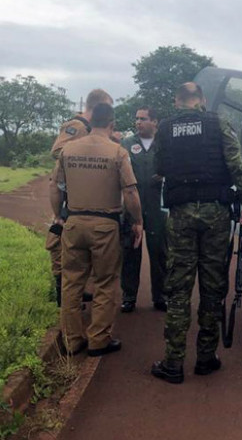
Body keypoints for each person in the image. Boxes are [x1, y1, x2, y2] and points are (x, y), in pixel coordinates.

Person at [150, 82, 242, 384]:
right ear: (202, 101)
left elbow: (158, 167)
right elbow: (236, 166)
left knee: (179, 288)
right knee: (213, 286)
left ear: (176, 100)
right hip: (216, 213)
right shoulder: (218, 122)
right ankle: (206, 358)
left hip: (181, 213)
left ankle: (173, 363)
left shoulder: (166, 128)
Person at [51, 102, 143, 356]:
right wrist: (137, 221)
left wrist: (59, 215)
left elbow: (55, 186)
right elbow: (131, 191)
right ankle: (98, 340)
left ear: (90, 123)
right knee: (105, 282)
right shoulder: (117, 152)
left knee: (71, 283)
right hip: (105, 226)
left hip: (74, 222)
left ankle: (72, 340)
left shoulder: (68, 150)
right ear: (111, 124)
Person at [46, 89, 113, 306]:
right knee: (59, 242)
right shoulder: (77, 126)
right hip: (68, 195)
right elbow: (57, 150)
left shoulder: (89, 129)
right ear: (95, 108)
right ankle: (62, 294)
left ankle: (74, 292)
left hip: (81, 195)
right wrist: (89, 145)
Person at [120, 106, 168, 313]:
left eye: (143, 119)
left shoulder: (166, 144)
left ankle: (160, 296)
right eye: (137, 118)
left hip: (159, 206)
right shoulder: (126, 144)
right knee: (131, 252)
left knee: (160, 252)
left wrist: (166, 176)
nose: (138, 122)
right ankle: (129, 296)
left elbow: (176, 169)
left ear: (155, 122)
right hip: (133, 206)